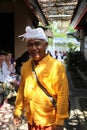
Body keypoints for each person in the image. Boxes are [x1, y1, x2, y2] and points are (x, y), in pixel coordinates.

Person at [13, 26, 69, 130]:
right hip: (31, 118)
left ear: (46, 45)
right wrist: (17, 111)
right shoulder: (25, 66)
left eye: (37, 43)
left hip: (49, 122)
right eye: (30, 44)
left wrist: (60, 122)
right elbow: (21, 90)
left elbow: (63, 95)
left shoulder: (57, 66)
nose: (34, 48)